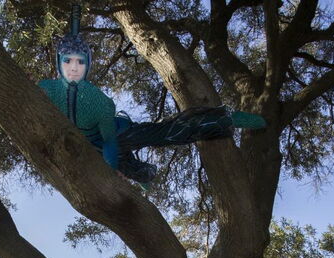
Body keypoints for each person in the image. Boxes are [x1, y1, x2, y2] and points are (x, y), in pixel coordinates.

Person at [38, 8, 265, 186]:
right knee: (133, 170)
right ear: (59, 63)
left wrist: (110, 167)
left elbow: (109, 141)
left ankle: (223, 118)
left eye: (80, 62)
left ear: (88, 65)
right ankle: (143, 174)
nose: (74, 68)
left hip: (118, 135)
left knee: (167, 133)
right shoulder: (46, 89)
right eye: (67, 61)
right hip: (89, 147)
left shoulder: (98, 101)